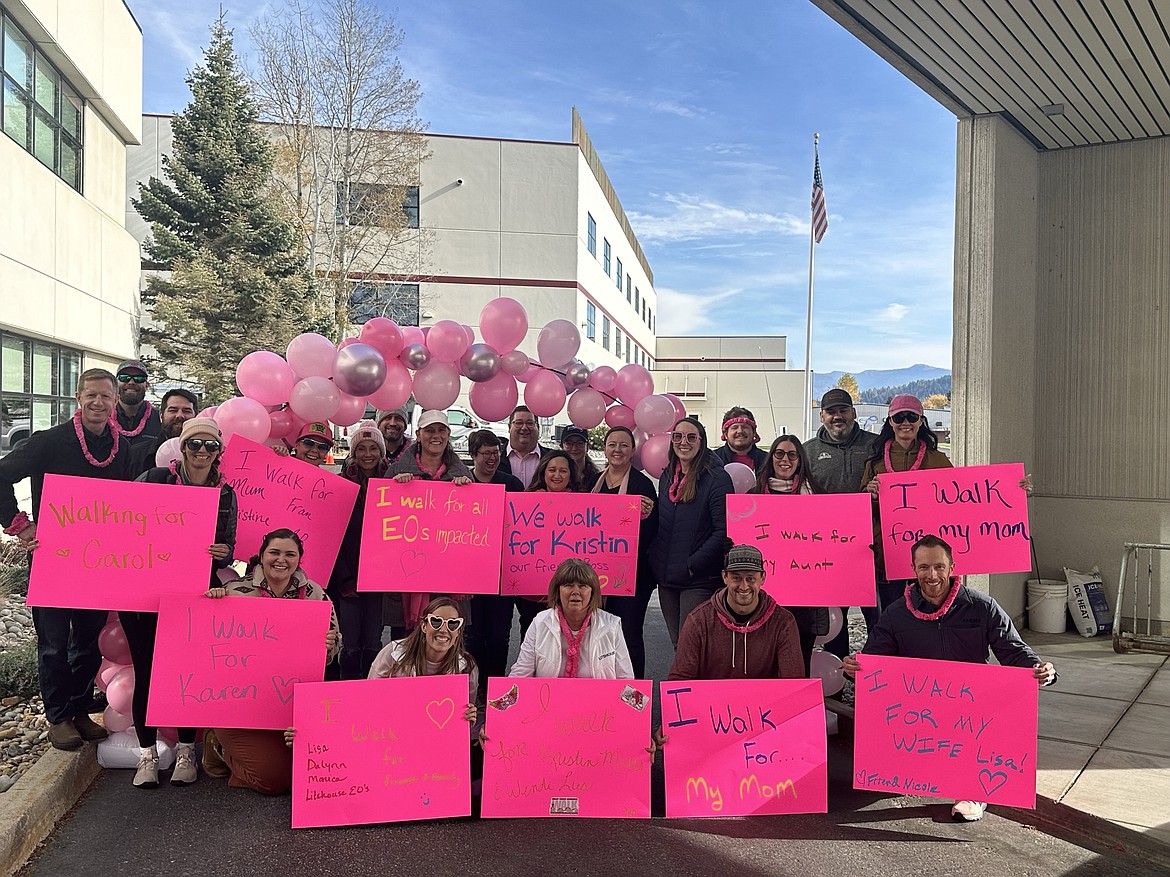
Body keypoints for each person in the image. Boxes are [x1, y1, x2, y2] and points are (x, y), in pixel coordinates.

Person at [843, 534, 1058, 823]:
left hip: (969, 712)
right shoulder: (896, 614)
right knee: (897, 774)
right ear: (913, 568)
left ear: (952, 566)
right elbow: (875, 663)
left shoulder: (982, 607)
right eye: (923, 568)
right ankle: (912, 771)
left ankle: (972, 791)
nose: (931, 575)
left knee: (986, 728)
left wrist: (1041, 669)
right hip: (919, 714)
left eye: (939, 567)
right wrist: (857, 670)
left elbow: (1015, 652)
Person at [0, 368, 131, 751]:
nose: (98, 402)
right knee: (54, 643)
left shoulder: (121, 448)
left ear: (114, 401)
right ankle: (57, 716)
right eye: (90, 395)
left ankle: (77, 710)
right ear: (77, 397)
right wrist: (19, 524)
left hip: (99, 563)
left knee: (88, 642)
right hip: (53, 559)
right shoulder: (49, 442)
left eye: (105, 396)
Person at [125, 417, 238, 788]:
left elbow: (227, 548)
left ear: (219, 452)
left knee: (186, 670)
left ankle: (187, 750)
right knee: (147, 671)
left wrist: (222, 554)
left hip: (194, 593)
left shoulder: (226, 494)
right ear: (184, 447)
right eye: (195, 445)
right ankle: (147, 755)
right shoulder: (155, 479)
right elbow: (124, 524)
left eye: (210, 446)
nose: (202, 452)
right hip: (144, 591)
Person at [202, 529, 340, 795]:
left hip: (290, 705)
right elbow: (207, 645)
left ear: (299, 559)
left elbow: (333, 656)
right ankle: (218, 746)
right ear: (262, 555)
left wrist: (329, 645)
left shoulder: (316, 594)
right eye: (274, 552)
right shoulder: (233, 591)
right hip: (240, 706)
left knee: (310, 771)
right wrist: (211, 604)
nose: (281, 560)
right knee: (276, 782)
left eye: (290, 554)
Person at [804, 388, 881, 659]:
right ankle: (835, 684)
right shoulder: (808, 452)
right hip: (829, 552)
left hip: (872, 549)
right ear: (822, 416)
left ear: (853, 412)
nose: (838, 416)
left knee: (878, 620)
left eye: (843, 410)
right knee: (834, 622)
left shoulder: (876, 445)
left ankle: (878, 683)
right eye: (831, 411)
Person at [861, 395, 953, 619]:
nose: (905, 422)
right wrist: (870, 496)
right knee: (888, 615)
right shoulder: (875, 462)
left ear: (921, 420)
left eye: (911, 416)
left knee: (927, 611)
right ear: (890, 422)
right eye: (899, 417)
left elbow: (963, 498)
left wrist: (1013, 487)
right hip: (885, 554)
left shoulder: (938, 460)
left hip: (926, 555)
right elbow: (861, 513)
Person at [650, 416, 733, 647]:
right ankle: (680, 684)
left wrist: (692, 564)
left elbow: (723, 530)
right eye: (677, 436)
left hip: (697, 578)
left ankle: (691, 685)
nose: (683, 442)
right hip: (667, 578)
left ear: (702, 442)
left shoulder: (717, 479)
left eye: (691, 437)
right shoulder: (667, 477)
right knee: (678, 644)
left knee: (694, 645)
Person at [749, 434, 829, 674]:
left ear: (800, 460)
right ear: (771, 457)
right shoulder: (752, 498)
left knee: (799, 662)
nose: (785, 459)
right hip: (763, 598)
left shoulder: (819, 497)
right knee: (763, 662)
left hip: (805, 600)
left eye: (792, 454)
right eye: (779, 453)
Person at [667, 544, 804, 680]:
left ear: (762, 578)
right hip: (712, 701)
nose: (744, 586)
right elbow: (679, 680)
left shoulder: (783, 622)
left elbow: (793, 680)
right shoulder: (698, 621)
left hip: (767, 701)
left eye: (750, 578)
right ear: (725, 577)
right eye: (736, 578)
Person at [389, 410, 473, 629]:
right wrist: (395, 491)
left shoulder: (465, 477)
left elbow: (474, 528)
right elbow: (384, 525)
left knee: (447, 637)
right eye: (429, 431)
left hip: (449, 571)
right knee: (405, 643)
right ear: (418, 434)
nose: (436, 436)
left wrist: (468, 492)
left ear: (448, 434)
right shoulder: (395, 473)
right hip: (407, 572)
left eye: (441, 430)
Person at [591, 426, 658, 678]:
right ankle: (604, 690)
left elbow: (652, 532)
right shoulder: (593, 482)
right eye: (612, 444)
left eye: (623, 445)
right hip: (597, 575)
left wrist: (645, 515)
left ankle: (634, 695)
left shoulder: (642, 486)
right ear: (605, 449)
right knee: (599, 636)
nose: (617, 450)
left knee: (628, 634)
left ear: (632, 451)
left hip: (633, 577)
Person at [367, 597, 479, 744]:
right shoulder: (392, 654)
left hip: (437, 745)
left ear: (458, 632)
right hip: (393, 740)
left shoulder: (467, 667)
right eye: (436, 621)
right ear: (424, 626)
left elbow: (465, 711)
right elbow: (369, 698)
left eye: (453, 624)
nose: (444, 630)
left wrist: (468, 718)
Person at [329, 420, 389, 680]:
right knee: (350, 644)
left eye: (373, 448)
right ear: (353, 453)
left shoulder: (393, 483)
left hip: (379, 578)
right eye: (361, 448)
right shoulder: (343, 486)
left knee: (373, 643)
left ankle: (370, 691)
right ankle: (348, 691)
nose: (367, 454)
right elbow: (334, 536)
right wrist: (344, 578)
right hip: (348, 577)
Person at [465, 430, 523, 697]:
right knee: (472, 635)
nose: (492, 458)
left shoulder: (512, 484)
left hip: (503, 573)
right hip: (471, 574)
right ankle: (473, 691)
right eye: (486, 453)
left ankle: (494, 692)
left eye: (496, 453)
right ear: (473, 455)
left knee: (500, 636)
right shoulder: (463, 483)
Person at [509, 559, 633, 678]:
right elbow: (521, 673)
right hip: (549, 699)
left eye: (583, 586)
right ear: (557, 591)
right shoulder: (540, 622)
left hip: (598, 700)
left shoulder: (611, 625)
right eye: (568, 585)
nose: (575, 591)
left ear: (593, 592)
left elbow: (626, 678)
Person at [129, 388, 200, 477]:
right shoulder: (136, 455)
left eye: (187, 411)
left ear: (196, 417)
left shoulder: (206, 457)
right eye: (173, 410)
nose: (180, 416)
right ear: (161, 416)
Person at [496, 406, 552, 486]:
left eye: (530, 423)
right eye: (519, 423)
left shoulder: (552, 458)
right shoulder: (495, 458)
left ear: (538, 427)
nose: (524, 428)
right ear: (509, 427)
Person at [112, 360, 162, 445]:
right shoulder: (103, 418)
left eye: (139, 378)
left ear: (147, 385)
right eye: (124, 377)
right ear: (116, 384)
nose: (131, 382)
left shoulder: (161, 421)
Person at [712, 406, 768, 471]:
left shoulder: (768, 460)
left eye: (745, 427)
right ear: (725, 433)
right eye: (734, 427)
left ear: (754, 432)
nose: (740, 431)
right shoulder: (711, 460)